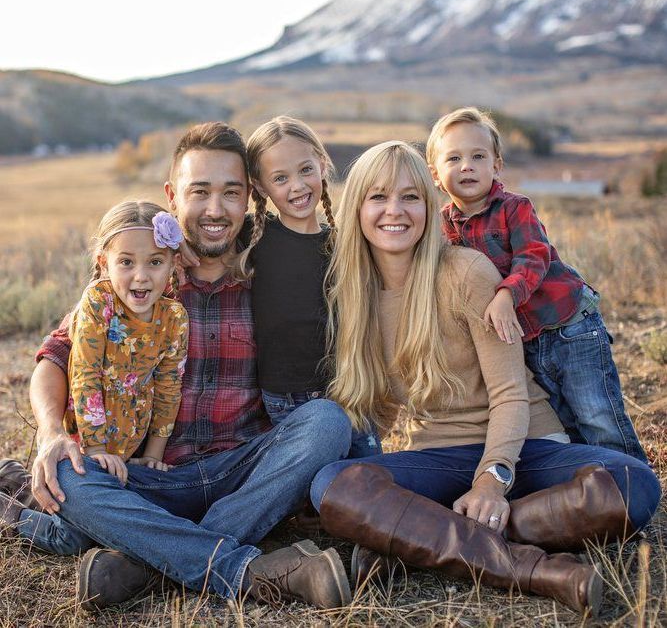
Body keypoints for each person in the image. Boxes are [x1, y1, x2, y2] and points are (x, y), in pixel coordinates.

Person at [0, 123, 353, 611]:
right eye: (199, 192)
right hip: (149, 477)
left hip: (243, 475)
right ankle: (242, 568)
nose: (215, 210)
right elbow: (55, 357)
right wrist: (48, 433)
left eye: (231, 193)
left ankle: (146, 560)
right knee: (73, 477)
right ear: (172, 196)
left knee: (327, 422)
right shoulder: (143, 276)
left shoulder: (271, 268)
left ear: (250, 196)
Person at [308, 141, 660, 616]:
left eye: (411, 197)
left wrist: (492, 482)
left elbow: (511, 394)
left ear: (429, 206)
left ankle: (418, 543)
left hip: (522, 448)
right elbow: (380, 407)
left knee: (632, 483)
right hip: (439, 457)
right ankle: (531, 568)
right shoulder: (353, 293)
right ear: (356, 207)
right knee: (332, 484)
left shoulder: (466, 271)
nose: (395, 211)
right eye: (378, 197)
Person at [425, 107, 647, 462]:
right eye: (454, 158)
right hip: (526, 343)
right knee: (566, 421)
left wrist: (506, 294)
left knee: (597, 415)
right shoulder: (443, 228)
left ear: (496, 166)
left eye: (478, 156)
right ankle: (592, 492)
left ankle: (631, 487)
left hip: (569, 326)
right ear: (435, 175)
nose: (467, 165)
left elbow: (533, 256)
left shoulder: (515, 208)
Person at [2, 201, 189, 552]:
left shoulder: (174, 318)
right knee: (72, 538)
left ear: (172, 264)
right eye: (126, 262)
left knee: (119, 521)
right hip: (83, 448)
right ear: (104, 263)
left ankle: (17, 480)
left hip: (130, 455)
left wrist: (153, 454)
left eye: (155, 262)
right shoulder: (98, 303)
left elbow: (169, 387)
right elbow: (84, 375)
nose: (141, 276)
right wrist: (99, 450)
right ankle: (8, 511)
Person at [241, 116, 380, 456]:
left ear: (322, 163)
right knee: (316, 489)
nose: (297, 186)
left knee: (371, 482)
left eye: (305, 170)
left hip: (346, 394)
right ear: (261, 187)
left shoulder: (344, 244)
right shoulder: (250, 238)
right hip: (285, 402)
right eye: (280, 178)